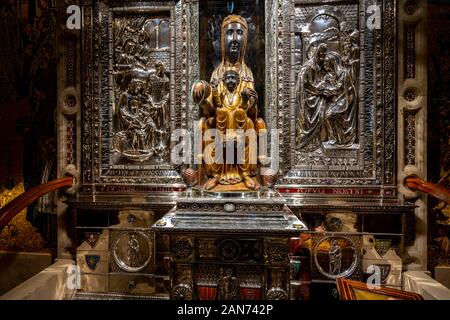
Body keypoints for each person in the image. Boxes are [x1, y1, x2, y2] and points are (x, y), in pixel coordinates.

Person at [191, 15, 266, 190]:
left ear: (246, 39)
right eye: (229, 33)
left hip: (242, 123)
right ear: (222, 38)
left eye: (239, 33)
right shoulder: (216, 74)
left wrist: (250, 101)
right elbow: (209, 109)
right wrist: (202, 95)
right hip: (221, 123)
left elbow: (253, 113)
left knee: (245, 120)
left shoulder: (247, 73)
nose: (234, 39)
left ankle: (245, 174)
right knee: (212, 121)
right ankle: (216, 175)